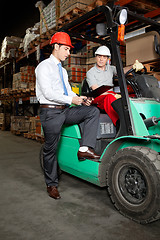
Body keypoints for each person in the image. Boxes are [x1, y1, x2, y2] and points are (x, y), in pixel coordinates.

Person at [35, 32, 100, 200]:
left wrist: (80, 99)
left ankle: (84, 149)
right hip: (50, 112)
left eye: (69, 50)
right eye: (65, 49)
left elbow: (68, 90)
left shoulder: (63, 71)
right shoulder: (43, 67)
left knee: (92, 111)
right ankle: (52, 184)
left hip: (65, 110)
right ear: (55, 47)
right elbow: (48, 93)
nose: (68, 53)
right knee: (50, 149)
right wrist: (71, 99)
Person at [86, 46, 144, 126]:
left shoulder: (110, 68)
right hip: (97, 97)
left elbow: (121, 71)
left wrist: (132, 66)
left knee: (131, 96)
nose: (101, 59)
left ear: (107, 59)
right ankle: (120, 123)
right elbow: (96, 91)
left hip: (111, 95)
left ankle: (137, 120)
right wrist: (113, 94)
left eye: (104, 57)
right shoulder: (90, 73)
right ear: (96, 57)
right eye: (99, 57)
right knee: (109, 97)